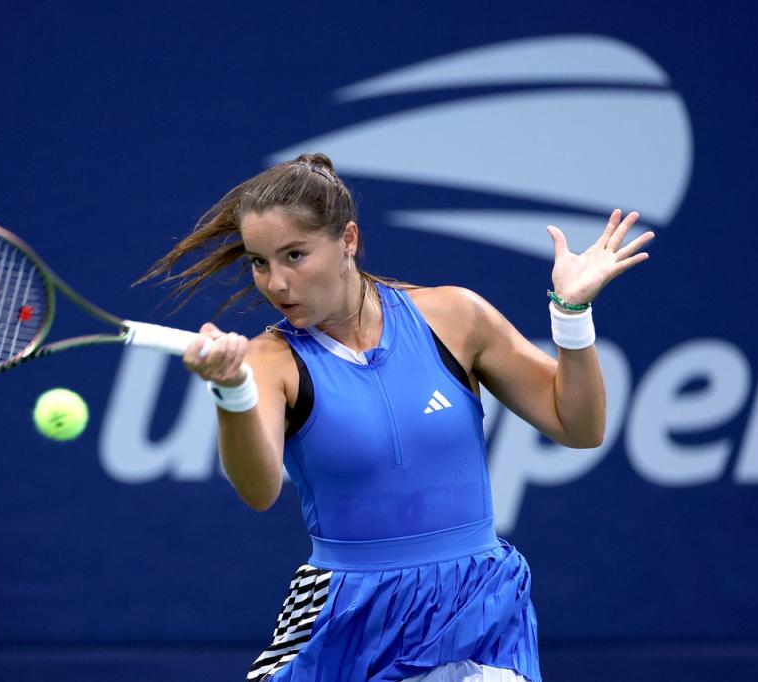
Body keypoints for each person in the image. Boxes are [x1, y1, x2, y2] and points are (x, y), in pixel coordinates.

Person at [144, 153, 653, 682]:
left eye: (294, 255)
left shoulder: (455, 317)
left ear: (348, 240)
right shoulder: (268, 362)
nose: (275, 283)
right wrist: (231, 393)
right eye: (259, 262)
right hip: (345, 613)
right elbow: (258, 490)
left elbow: (579, 426)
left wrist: (571, 314)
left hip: (475, 607)